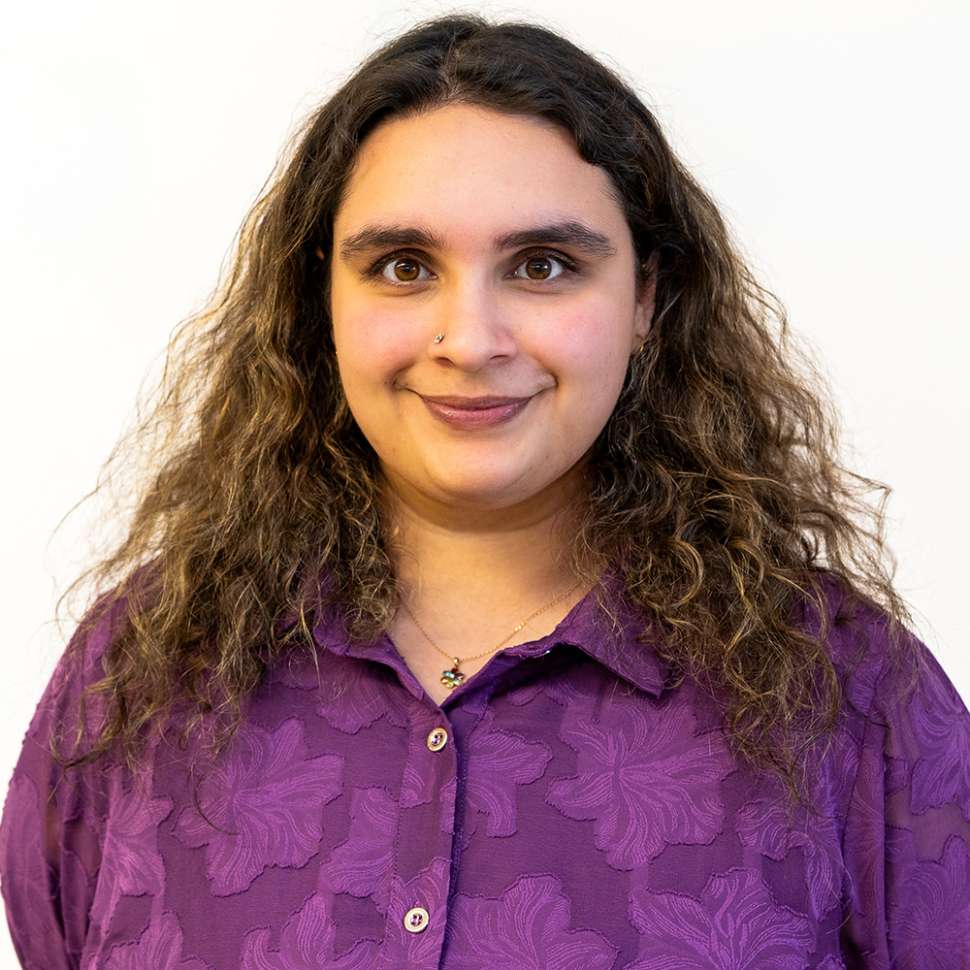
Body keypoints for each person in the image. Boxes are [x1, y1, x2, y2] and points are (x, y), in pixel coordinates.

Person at [1, 12, 968, 969]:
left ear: (647, 302)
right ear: (320, 303)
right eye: (402, 267)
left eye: (542, 266)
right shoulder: (142, 674)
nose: (469, 339)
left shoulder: (851, 697)